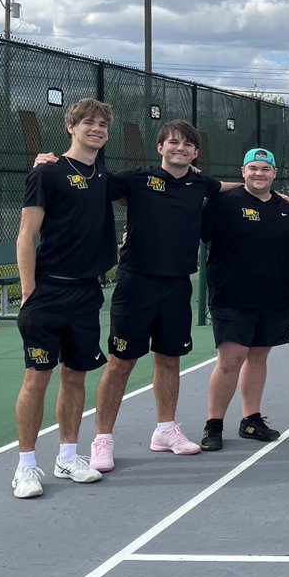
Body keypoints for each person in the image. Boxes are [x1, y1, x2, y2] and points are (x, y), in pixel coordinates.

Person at [87, 119, 221, 469]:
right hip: (135, 284)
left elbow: (228, 187)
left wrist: (270, 191)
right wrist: (49, 161)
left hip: (178, 285)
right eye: (173, 142)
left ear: (195, 153)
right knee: (120, 364)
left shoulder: (201, 183)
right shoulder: (135, 179)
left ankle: (165, 429)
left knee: (169, 359)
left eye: (188, 144)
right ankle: (102, 439)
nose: (180, 148)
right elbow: (91, 178)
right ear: (160, 147)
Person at [11, 98, 116, 498]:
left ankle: (68, 456)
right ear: (70, 128)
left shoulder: (104, 176)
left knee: (74, 376)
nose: (97, 129)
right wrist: (28, 291)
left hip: (87, 292)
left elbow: (165, 182)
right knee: (36, 378)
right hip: (48, 292)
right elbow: (26, 234)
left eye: (103, 124)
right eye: (88, 123)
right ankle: (25, 466)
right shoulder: (47, 173)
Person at [199, 148, 289, 451]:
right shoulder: (223, 203)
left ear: (274, 173)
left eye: (265, 169)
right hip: (231, 296)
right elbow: (197, 234)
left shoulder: (285, 207)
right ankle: (213, 425)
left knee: (257, 359)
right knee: (230, 361)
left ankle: (251, 420)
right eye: (253, 168)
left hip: (273, 296)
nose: (259, 174)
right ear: (242, 172)